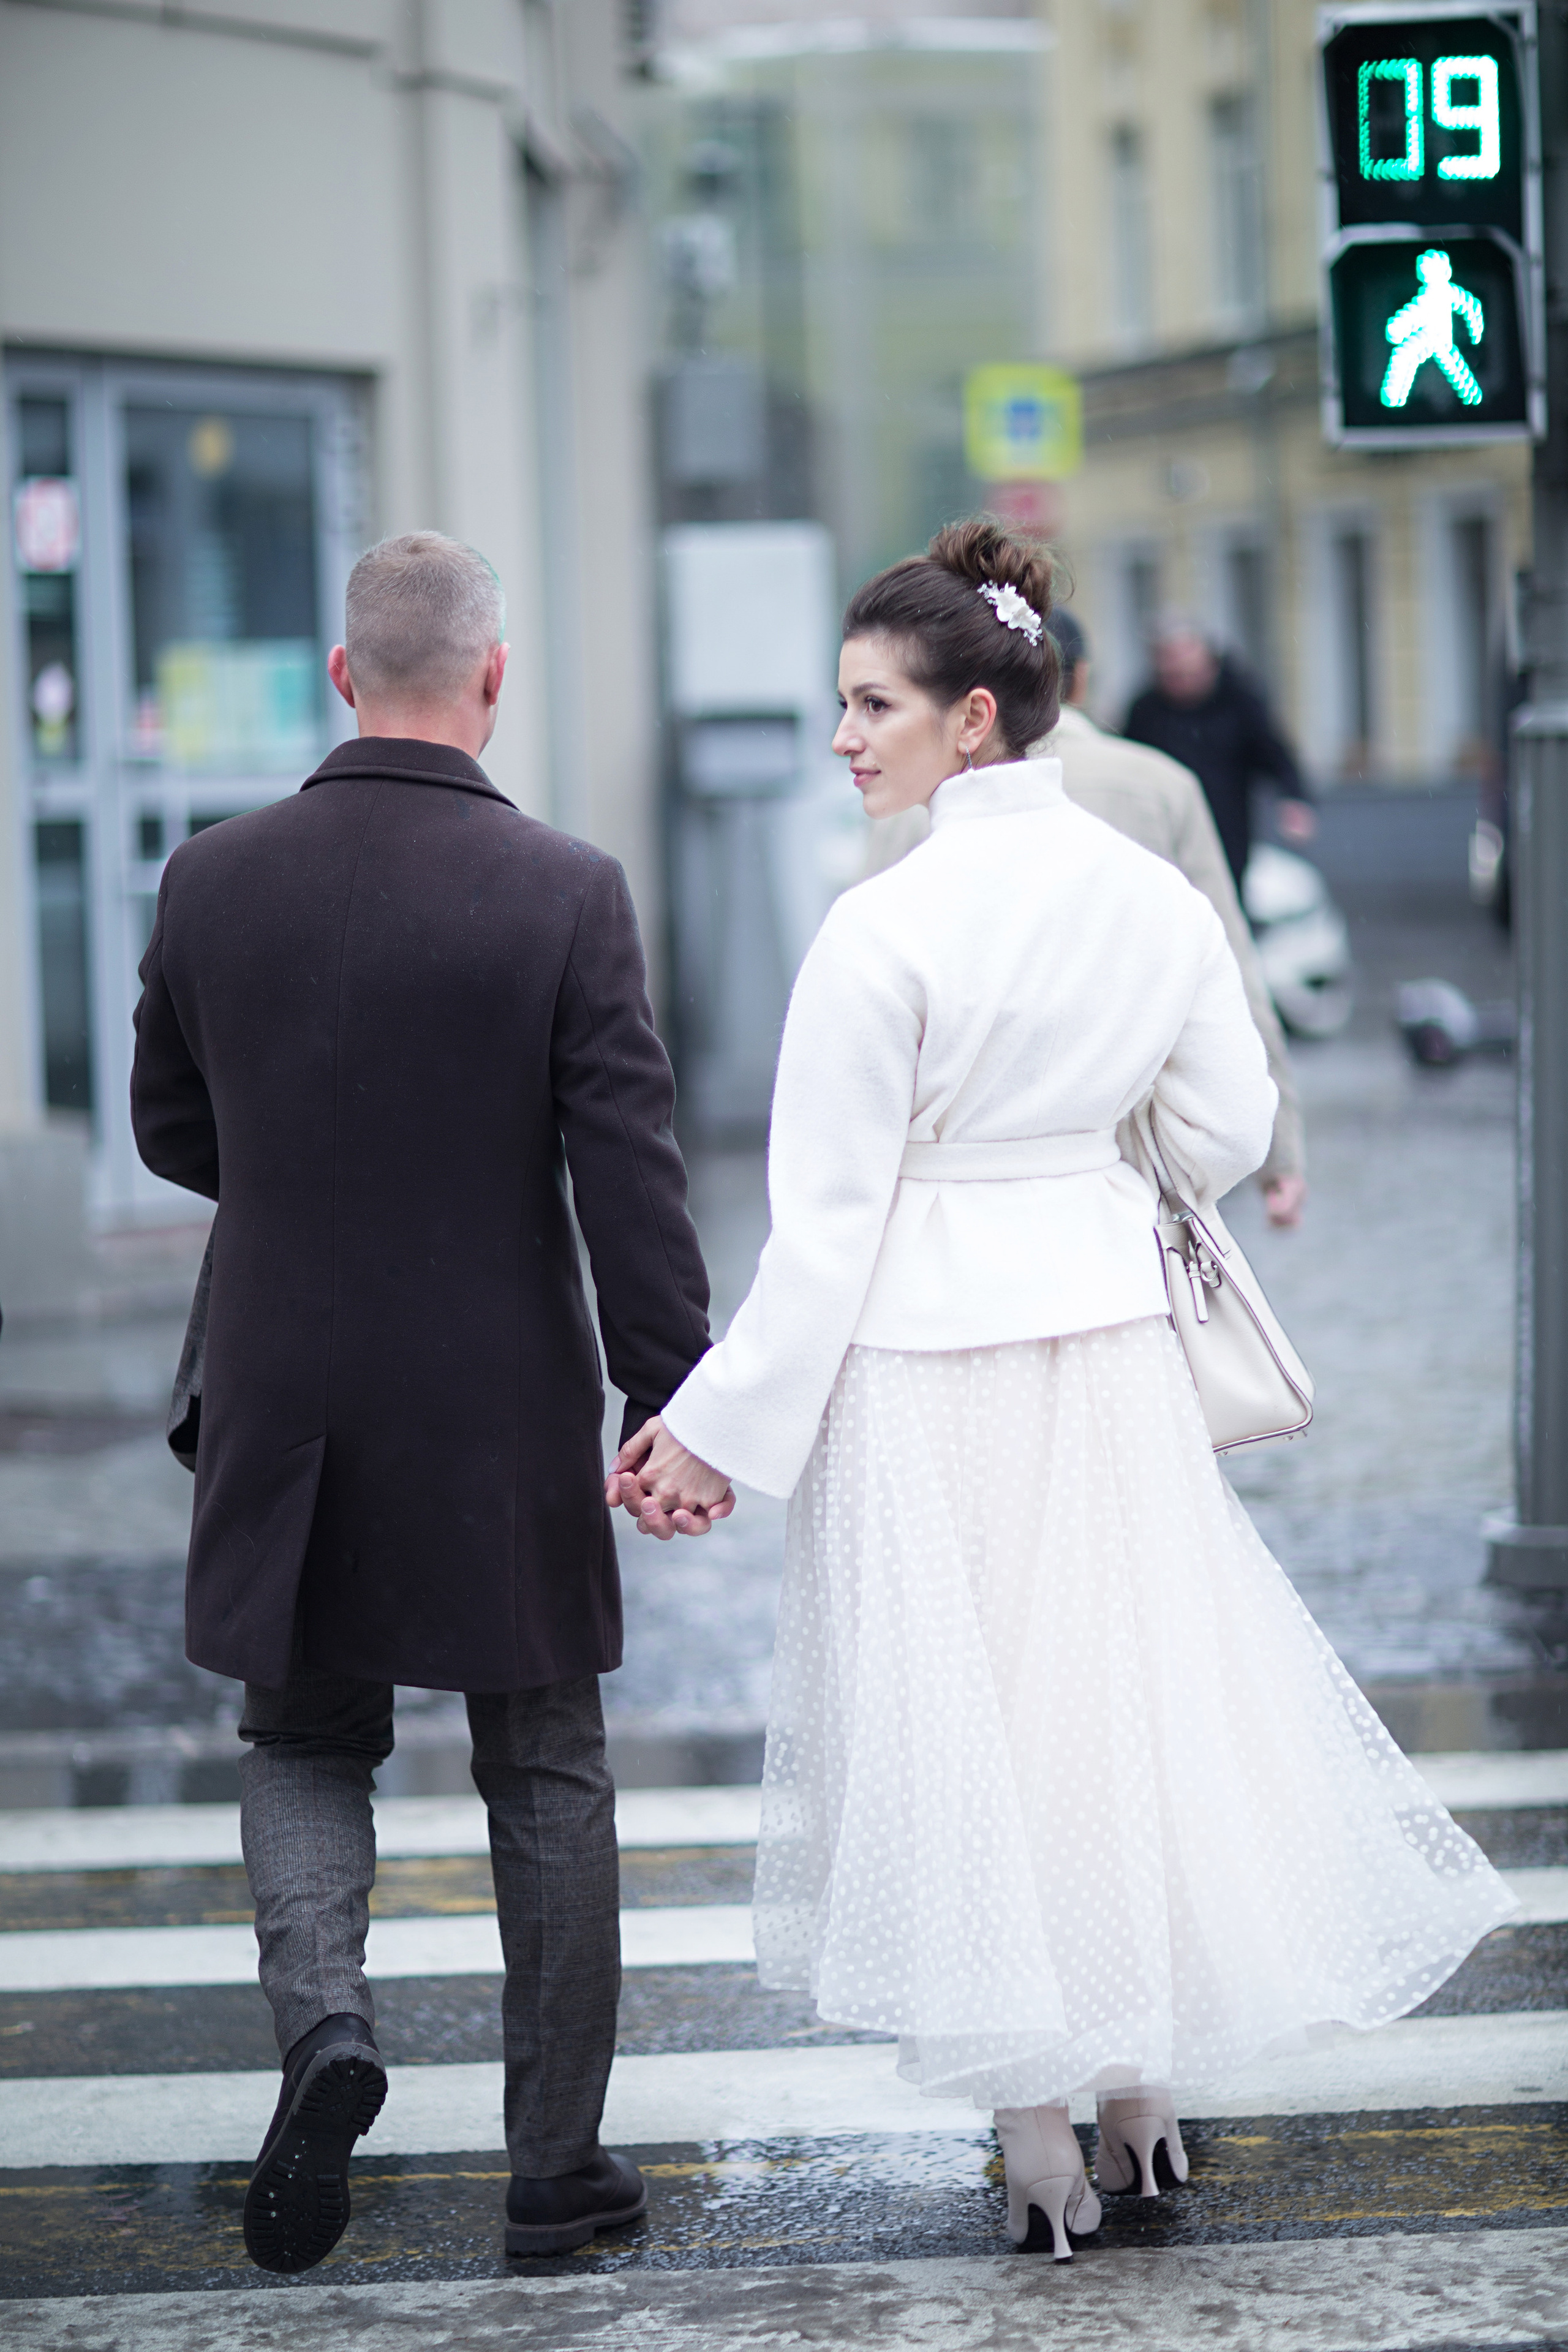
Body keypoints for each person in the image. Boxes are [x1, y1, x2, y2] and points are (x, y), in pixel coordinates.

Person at [607, 522, 1513, 2263]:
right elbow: (1228, 1129)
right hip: (1105, 1352)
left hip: (922, 1376)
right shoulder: (1150, 898)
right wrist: (1100, 1161)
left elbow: (829, 1228)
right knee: (1114, 1716)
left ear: (972, 719)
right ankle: (1139, 2101)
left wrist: (712, 1435)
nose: (845, 737)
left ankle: (1033, 2144)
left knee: (966, 1744)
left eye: (872, 704)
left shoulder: (880, 933)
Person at [130, 532, 719, 2275]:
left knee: (303, 1736)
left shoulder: (209, 879)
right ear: (494, 676)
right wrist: (672, 1396)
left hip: (281, 1378)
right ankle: (557, 2181)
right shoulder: (563, 890)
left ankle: (330, 2034)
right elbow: (632, 1177)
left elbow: (176, 1132)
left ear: (339, 677)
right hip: (498, 1397)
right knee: (544, 1764)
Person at [862, 608, 1307, 1229]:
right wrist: (1278, 1148)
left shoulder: (927, 790)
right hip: (1135, 1137)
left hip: (966, 1161)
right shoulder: (1161, 784)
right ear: (1082, 678)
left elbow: (871, 990)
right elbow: (1232, 970)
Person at [1123, 618, 1314, 888]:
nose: (1178, 677)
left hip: (1227, 828)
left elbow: (1274, 752)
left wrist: (1294, 798)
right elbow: (1128, 761)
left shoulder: (1240, 701)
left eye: (1185, 669)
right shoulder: (1146, 709)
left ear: (1208, 663)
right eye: (1170, 671)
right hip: (1165, 829)